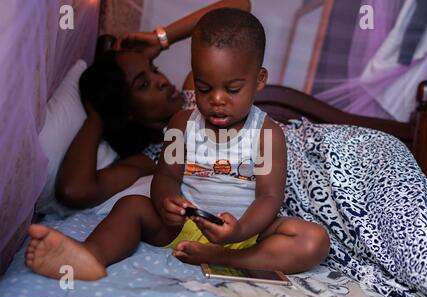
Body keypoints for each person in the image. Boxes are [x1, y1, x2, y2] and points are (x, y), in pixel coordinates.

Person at [25, 8, 330, 281]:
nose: (217, 100)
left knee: (313, 239)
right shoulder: (182, 124)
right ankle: (91, 255)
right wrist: (166, 201)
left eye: (233, 89)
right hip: (185, 227)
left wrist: (239, 230)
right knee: (132, 207)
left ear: (259, 79)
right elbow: (167, 176)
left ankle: (222, 258)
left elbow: (268, 196)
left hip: (245, 233)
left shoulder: (267, 133)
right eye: (204, 87)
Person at [55, 0, 252, 210]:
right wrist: (97, 116)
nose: (163, 81)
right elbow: (74, 191)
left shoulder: (197, 97)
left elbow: (239, 7)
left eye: (154, 69)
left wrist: (161, 39)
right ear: (127, 111)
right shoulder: (154, 159)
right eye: (144, 84)